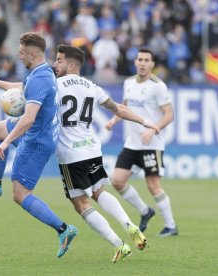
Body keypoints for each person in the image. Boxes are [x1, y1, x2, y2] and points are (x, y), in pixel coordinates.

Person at [52, 44, 160, 262]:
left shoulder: (55, 85)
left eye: (59, 60)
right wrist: (146, 121)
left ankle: (118, 244)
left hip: (70, 153)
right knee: (99, 191)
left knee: (82, 204)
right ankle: (128, 224)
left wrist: (1, 84)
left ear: (71, 65)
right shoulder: (92, 86)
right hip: (91, 148)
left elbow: (27, 89)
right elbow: (119, 109)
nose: (55, 64)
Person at [0, 32, 78, 258]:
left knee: (20, 194)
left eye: (21, 53)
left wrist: (7, 143)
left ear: (32, 53)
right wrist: (0, 82)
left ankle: (64, 229)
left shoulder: (41, 78)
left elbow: (28, 118)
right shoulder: (40, 72)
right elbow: (23, 87)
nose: (19, 56)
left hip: (36, 141)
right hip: (39, 133)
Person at [105, 48, 178, 237]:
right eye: (140, 59)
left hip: (152, 144)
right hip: (133, 142)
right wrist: (114, 120)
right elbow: (126, 108)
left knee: (153, 185)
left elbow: (169, 115)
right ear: (135, 62)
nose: (143, 63)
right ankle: (145, 211)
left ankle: (171, 225)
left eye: (147, 60)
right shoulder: (128, 83)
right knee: (117, 181)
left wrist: (153, 129)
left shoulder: (158, 86)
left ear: (152, 64)